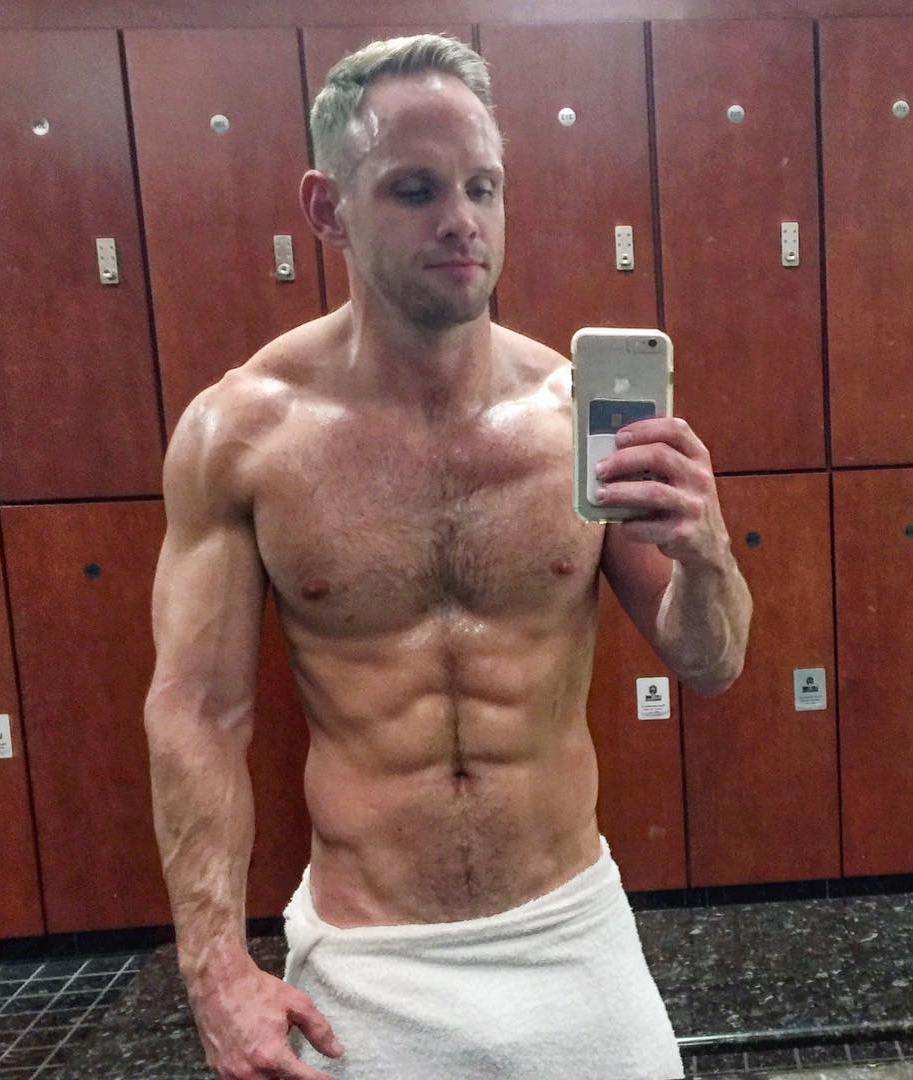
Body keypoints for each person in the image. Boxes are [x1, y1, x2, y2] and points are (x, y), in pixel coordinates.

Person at [143, 33, 752, 1080]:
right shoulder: (242, 435)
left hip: (570, 932)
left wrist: (708, 556)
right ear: (327, 208)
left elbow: (713, 662)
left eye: (482, 186)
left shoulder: (576, 417)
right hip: (368, 962)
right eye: (415, 189)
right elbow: (198, 712)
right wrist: (215, 970)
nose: (461, 219)